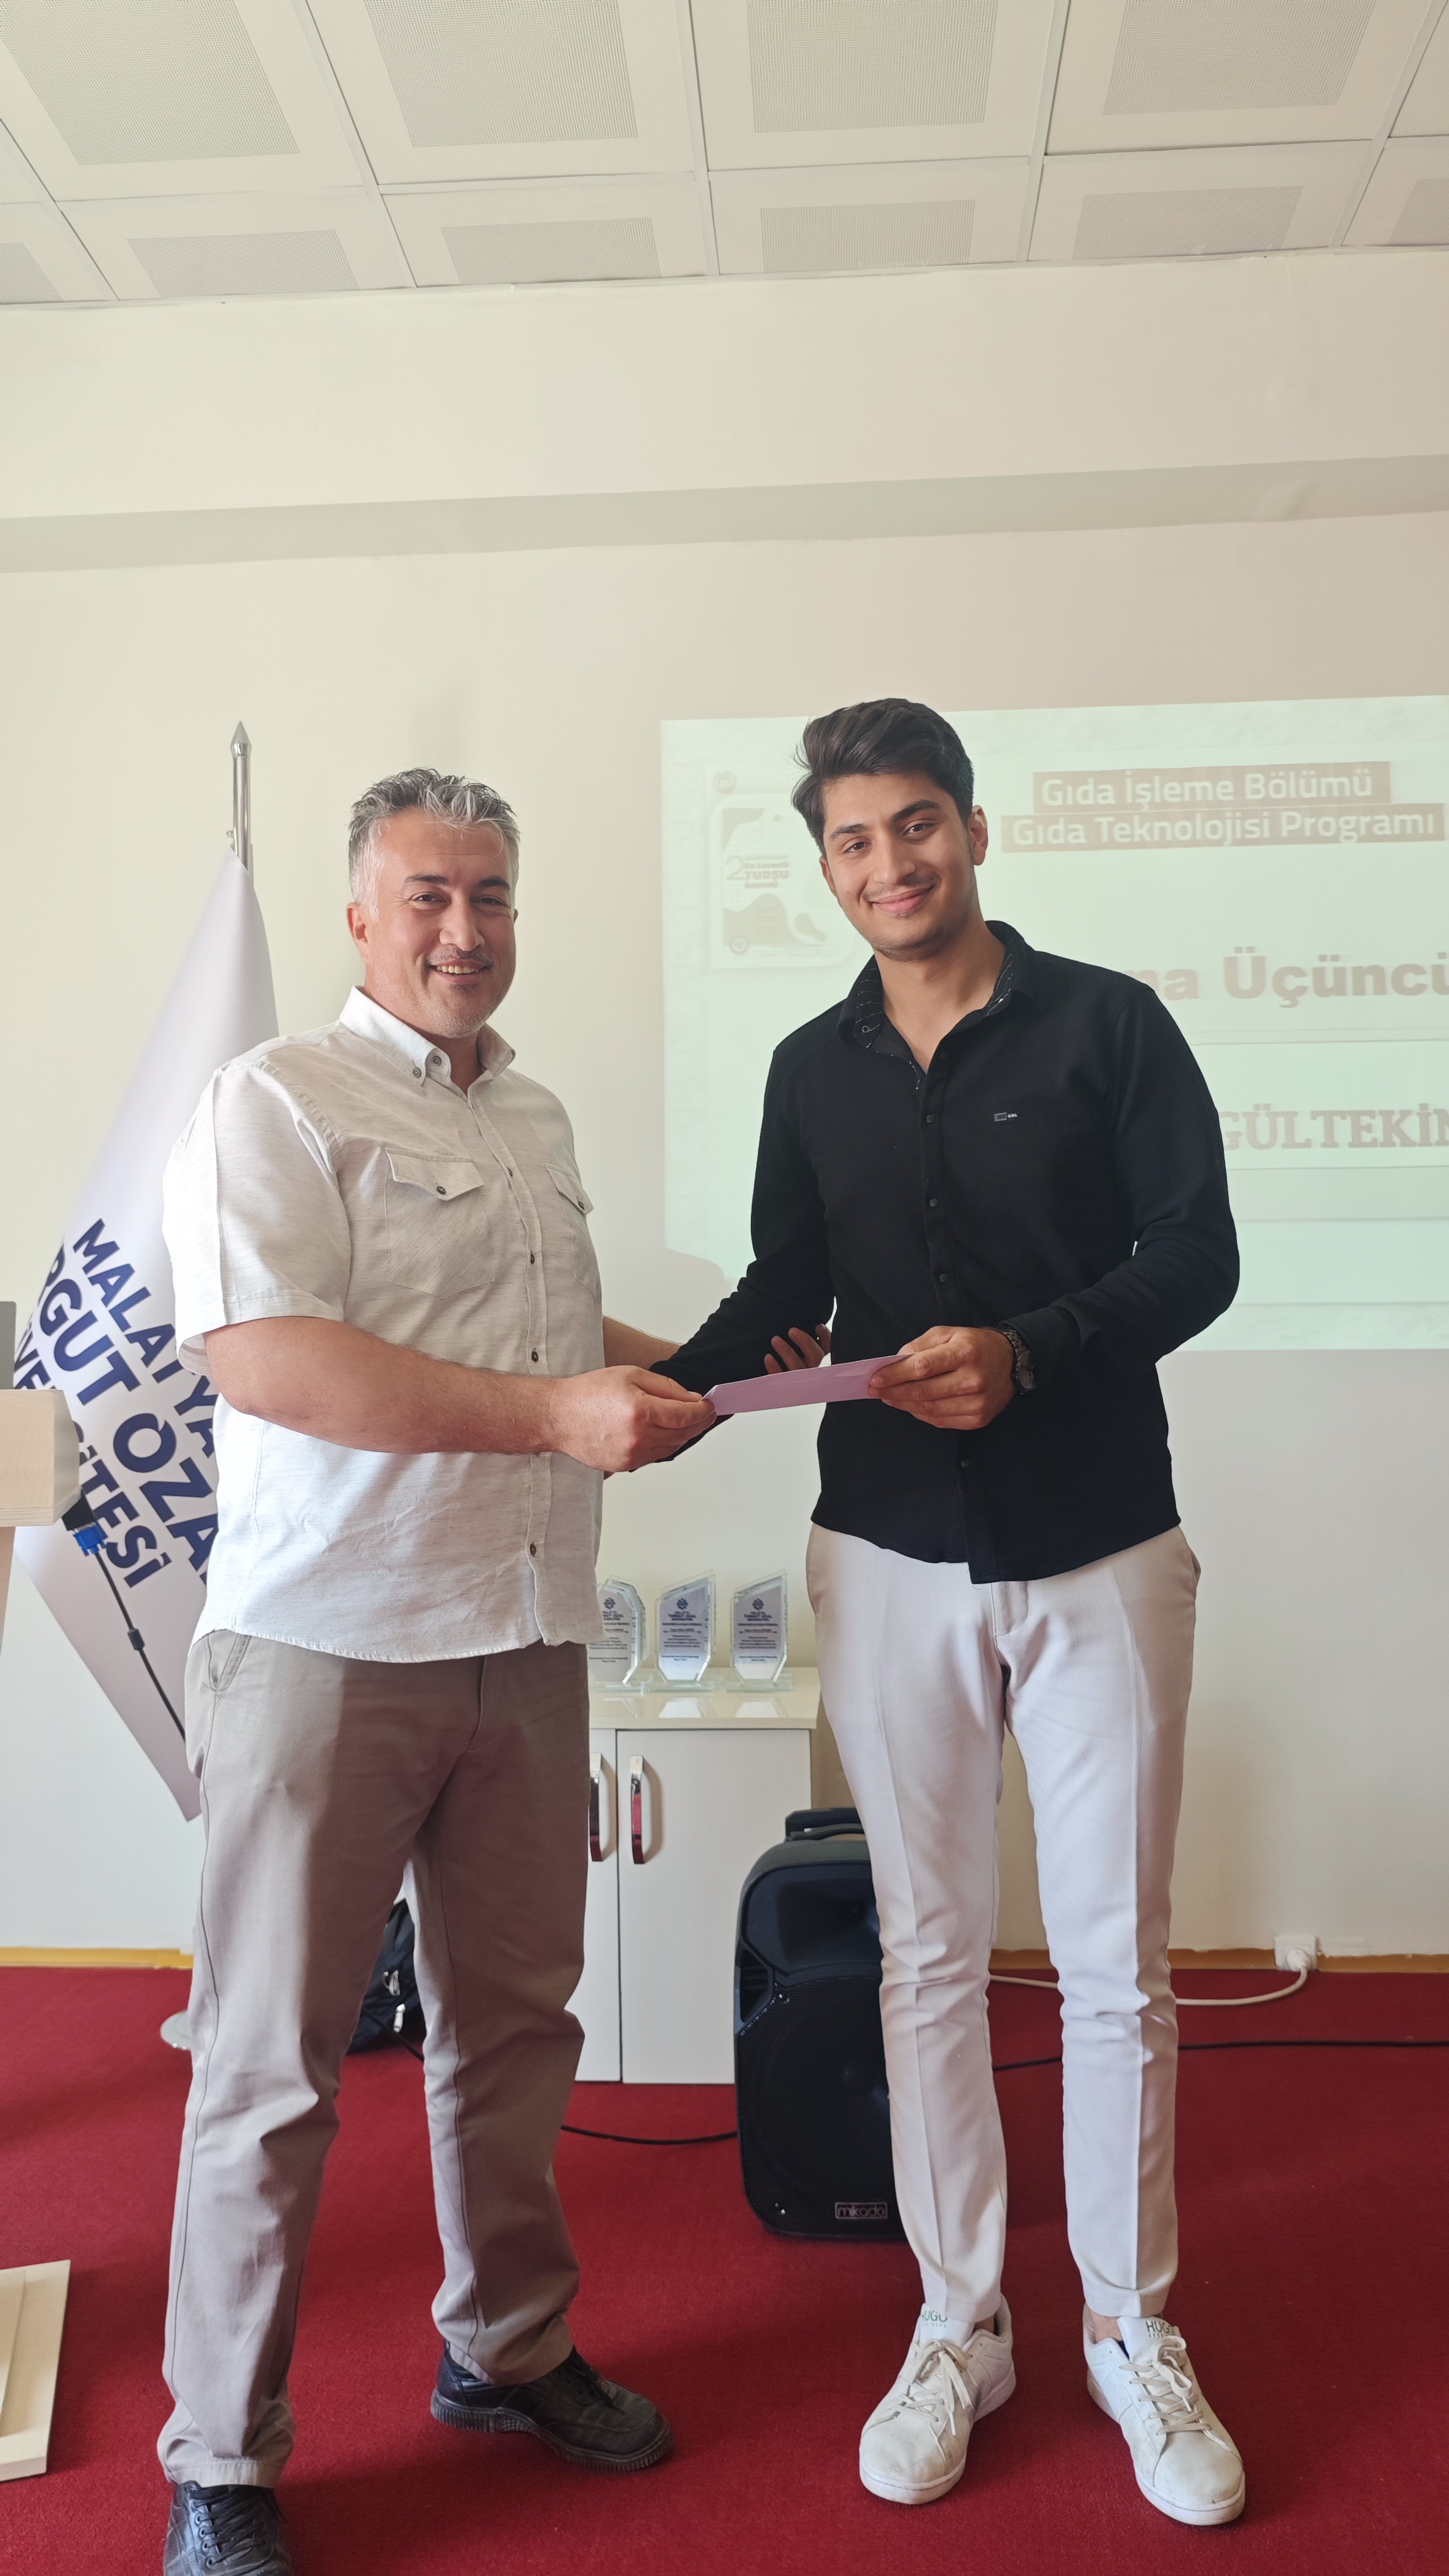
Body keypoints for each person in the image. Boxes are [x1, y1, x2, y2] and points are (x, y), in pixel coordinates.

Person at [157, 768, 822, 2576]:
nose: (468, 931)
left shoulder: (529, 1110)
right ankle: (222, 2457)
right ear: (361, 915)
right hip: (327, 1645)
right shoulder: (273, 1098)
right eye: (432, 897)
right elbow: (269, 1356)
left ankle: (508, 2352)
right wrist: (554, 1415)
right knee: (272, 2064)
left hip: (525, 1633)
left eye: (495, 897)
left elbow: (538, 1338)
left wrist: (706, 1375)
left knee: (518, 2030)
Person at [665, 701, 1245, 2528]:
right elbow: (786, 1282)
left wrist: (1035, 1350)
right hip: (887, 1551)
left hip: (1099, 1543)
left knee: (1113, 1964)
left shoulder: (1109, 1023)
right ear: (825, 865)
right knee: (926, 1955)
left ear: (974, 832)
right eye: (852, 840)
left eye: (916, 825)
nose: (888, 864)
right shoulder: (807, 1065)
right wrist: (665, 1398)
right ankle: (961, 2321)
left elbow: (1197, 1254)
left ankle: (1131, 2328)